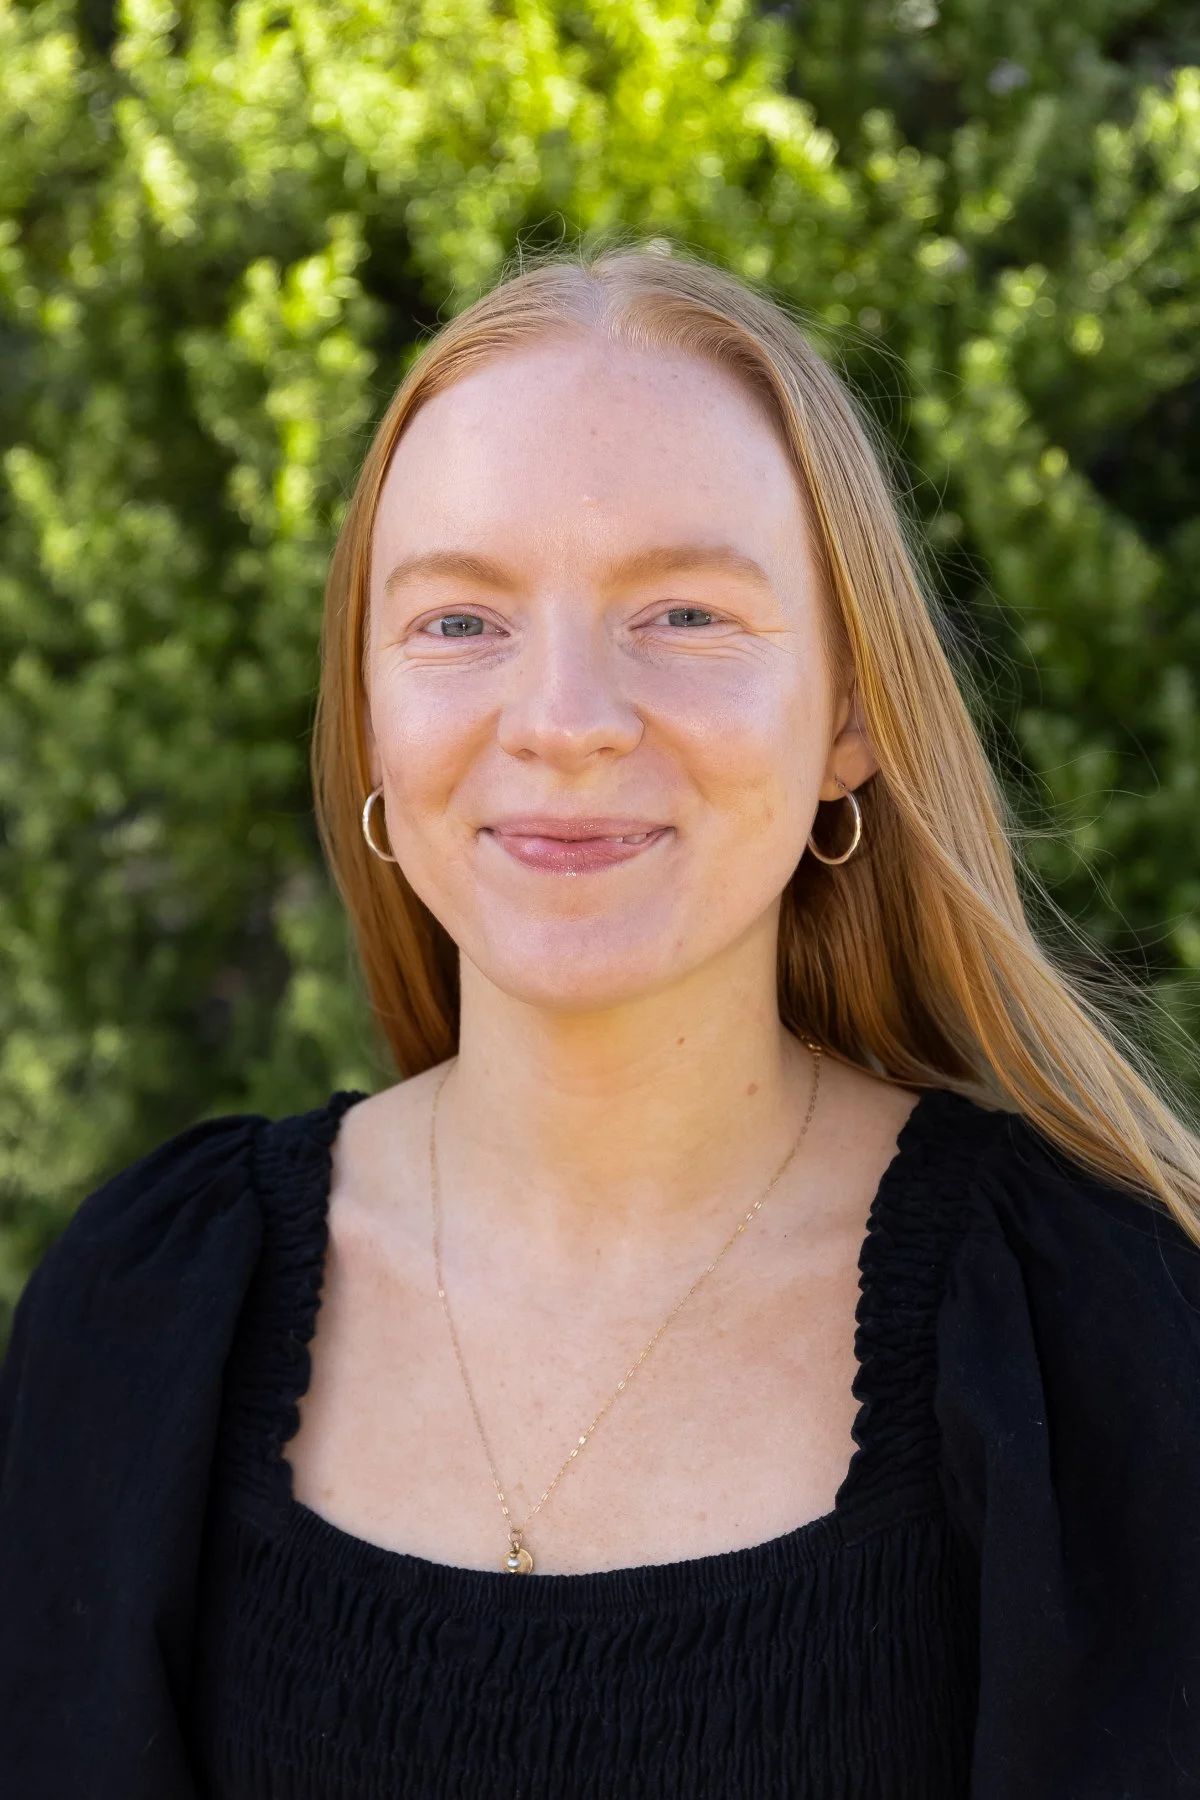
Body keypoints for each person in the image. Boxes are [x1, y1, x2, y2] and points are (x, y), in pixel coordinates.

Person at [2, 245, 1200, 1800]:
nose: (564, 717)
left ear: (849, 716)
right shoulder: (147, 1312)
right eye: (458, 622)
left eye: (686, 612)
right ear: (369, 708)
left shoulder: (1090, 1336)